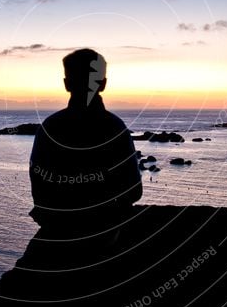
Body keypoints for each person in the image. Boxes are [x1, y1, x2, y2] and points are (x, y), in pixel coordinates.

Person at [29, 48, 142, 239]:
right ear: (103, 83)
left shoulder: (50, 127)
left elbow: (39, 189)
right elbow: (134, 190)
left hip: (57, 233)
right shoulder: (115, 128)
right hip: (106, 234)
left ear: (66, 84)